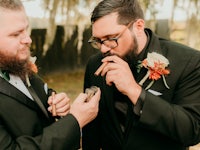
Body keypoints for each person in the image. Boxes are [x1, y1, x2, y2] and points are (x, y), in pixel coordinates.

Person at [82, 0, 200, 150]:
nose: (104, 49)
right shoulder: (95, 64)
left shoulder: (188, 62)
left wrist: (134, 91)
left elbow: (192, 131)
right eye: (98, 41)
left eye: (111, 38)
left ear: (138, 26)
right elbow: (91, 130)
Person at [0, 0, 101, 149]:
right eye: (16, 34)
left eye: (26, 30)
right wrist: (74, 121)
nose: (28, 39)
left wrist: (56, 102)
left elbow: (36, 101)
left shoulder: (15, 64)